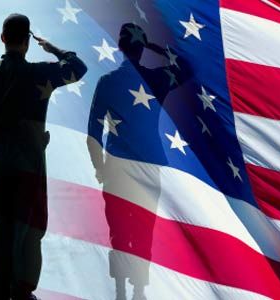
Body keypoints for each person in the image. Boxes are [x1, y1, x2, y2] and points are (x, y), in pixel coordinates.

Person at [0, 14, 87, 300]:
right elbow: (78, 67)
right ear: (27, 42)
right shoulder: (39, 74)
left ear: (2, 38)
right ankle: (22, 290)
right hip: (30, 170)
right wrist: (54, 48)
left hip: (0, 167)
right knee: (30, 229)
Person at [87, 23, 191, 300]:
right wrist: (156, 47)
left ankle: (121, 290)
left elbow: (93, 133)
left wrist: (99, 167)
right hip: (149, 166)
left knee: (118, 228)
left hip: (116, 167)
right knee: (144, 227)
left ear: (120, 47)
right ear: (140, 48)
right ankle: (139, 291)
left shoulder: (107, 82)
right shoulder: (157, 79)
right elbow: (185, 69)